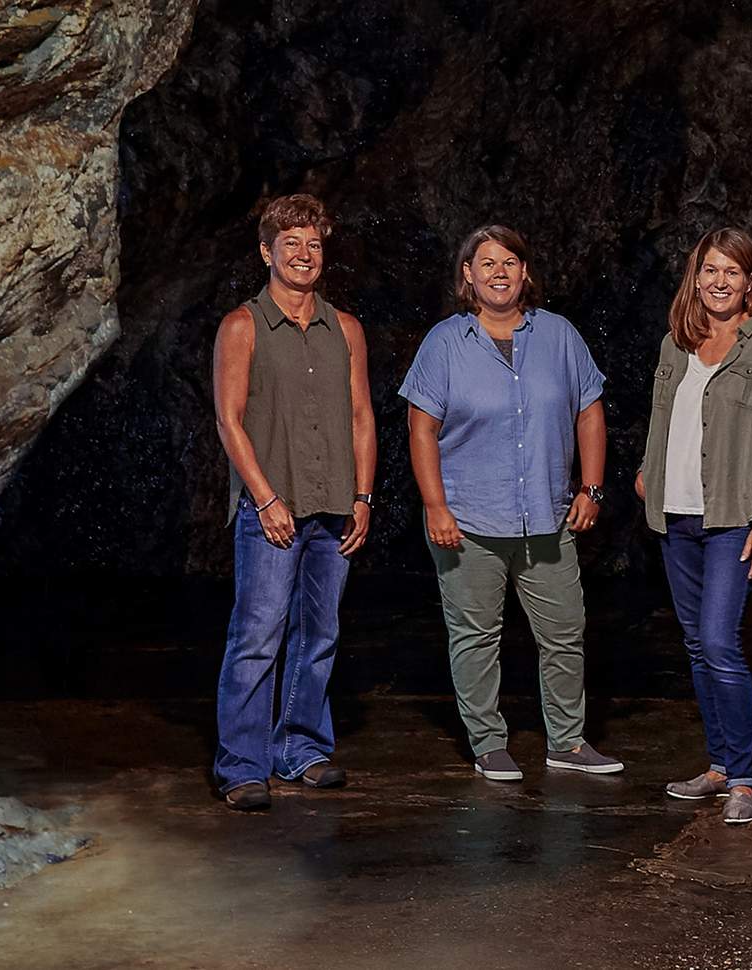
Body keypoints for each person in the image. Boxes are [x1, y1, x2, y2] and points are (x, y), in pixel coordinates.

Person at [400, 224, 623, 782]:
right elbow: (421, 428)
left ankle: (567, 742)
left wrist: (591, 487)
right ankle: (487, 743)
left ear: (524, 272)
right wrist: (435, 506)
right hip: (468, 521)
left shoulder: (559, 335)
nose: (499, 273)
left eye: (509, 262)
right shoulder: (445, 343)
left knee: (565, 633)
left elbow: (589, 411)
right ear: (468, 275)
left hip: (546, 518)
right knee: (475, 637)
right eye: (487, 263)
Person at [211, 193, 378, 812]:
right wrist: (264, 498)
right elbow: (229, 421)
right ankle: (242, 766)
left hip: (335, 505)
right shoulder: (242, 326)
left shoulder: (346, 329)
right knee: (257, 635)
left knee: (320, 633)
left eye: (313, 243)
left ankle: (300, 748)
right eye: (291, 244)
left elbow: (362, 416)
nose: (304, 254)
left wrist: (363, 496)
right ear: (267, 252)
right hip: (272, 511)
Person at [636, 227, 752, 825]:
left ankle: (745, 779)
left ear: (751, 281)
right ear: (696, 276)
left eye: (732, 271)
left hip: (732, 516)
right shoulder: (674, 344)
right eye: (710, 269)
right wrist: (647, 470)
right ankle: (720, 764)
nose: (719, 281)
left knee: (720, 642)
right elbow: (662, 418)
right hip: (675, 515)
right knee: (696, 646)